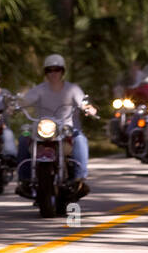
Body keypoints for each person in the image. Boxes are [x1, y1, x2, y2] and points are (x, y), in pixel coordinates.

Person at [16, 54, 96, 200]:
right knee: (23, 138)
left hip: (65, 128)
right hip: (41, 128)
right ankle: (24, 179)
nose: (53, 73)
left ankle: (79, 179)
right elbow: (25, 101)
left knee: (80, 139)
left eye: (57, 69)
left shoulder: (73, 89)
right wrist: (15, 105)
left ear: (62, 71)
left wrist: (88, 109)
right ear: (45, 73)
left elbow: (83, 103)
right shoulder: (39, 89)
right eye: (49, 70)